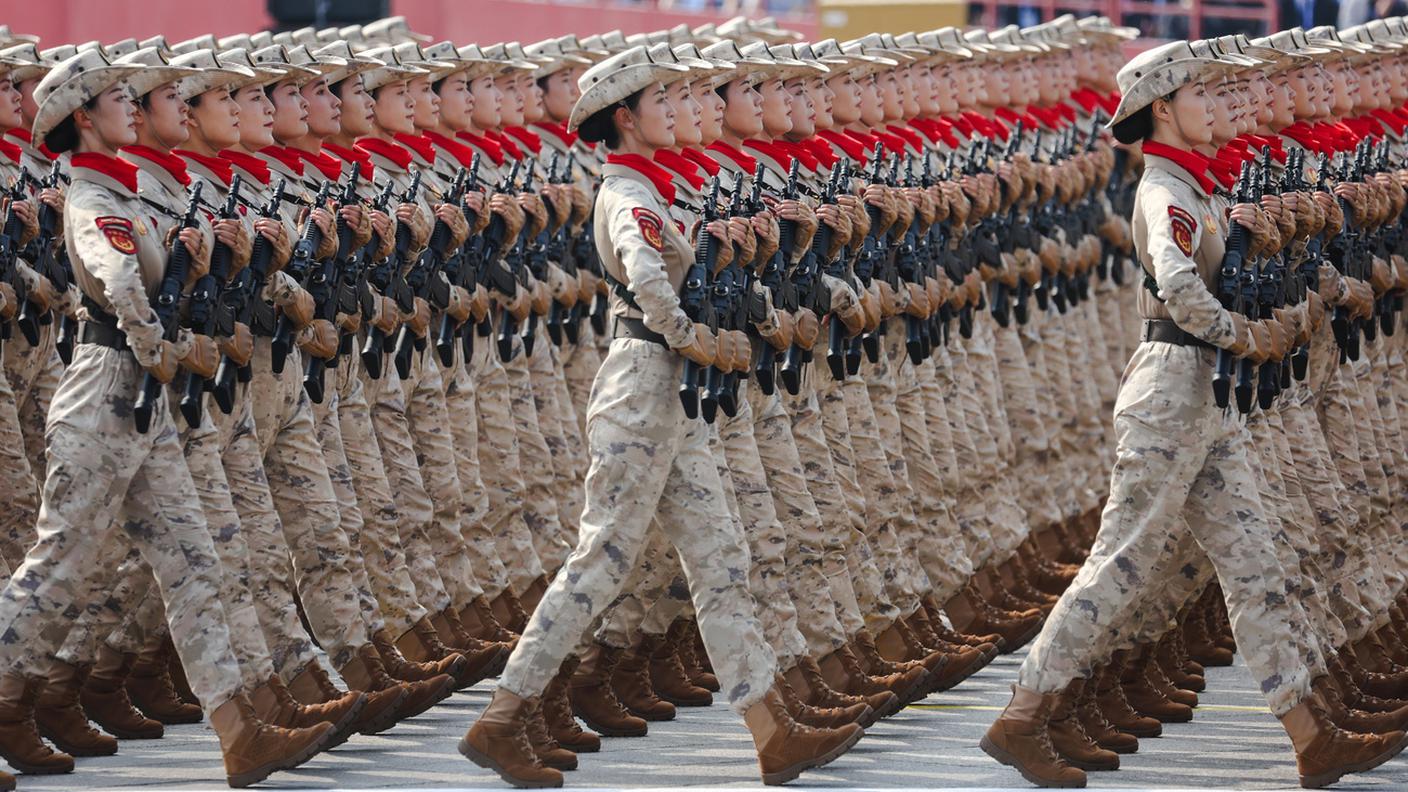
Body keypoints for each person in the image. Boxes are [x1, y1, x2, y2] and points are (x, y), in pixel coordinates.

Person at [981, 39, 1406, 789]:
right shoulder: (1165, 192)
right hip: (1173, 390)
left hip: (1213, 391)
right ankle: (1022, 714)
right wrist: (1247, 334)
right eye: (1201, 95)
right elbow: (1179, 290)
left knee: (1257, 563)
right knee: (1121, 565)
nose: (1217, 108)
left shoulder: (1200, 186)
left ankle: (1311, 735)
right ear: (1162, 110)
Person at [459, 44, 862, 788]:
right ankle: (502, 717)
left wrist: (751, 320)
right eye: (663, 102)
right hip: (643, 386)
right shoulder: (628, 196)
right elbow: (649, 283)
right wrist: (699, 338)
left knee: (721, 558)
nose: (679, 111)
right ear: (625, 117)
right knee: (602, 561)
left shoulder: (659, 191)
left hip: (675, 395)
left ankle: (771, 729)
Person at [0, 47, 332, 788]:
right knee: (58, 568)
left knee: (195, 562)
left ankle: (242, 735)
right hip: (107, 391)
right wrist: (159, 346)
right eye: (119, 97)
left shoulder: (125, 193)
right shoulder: (92, 197)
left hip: (147, 400)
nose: (134, 104)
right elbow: (119, 280)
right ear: (85, 118)